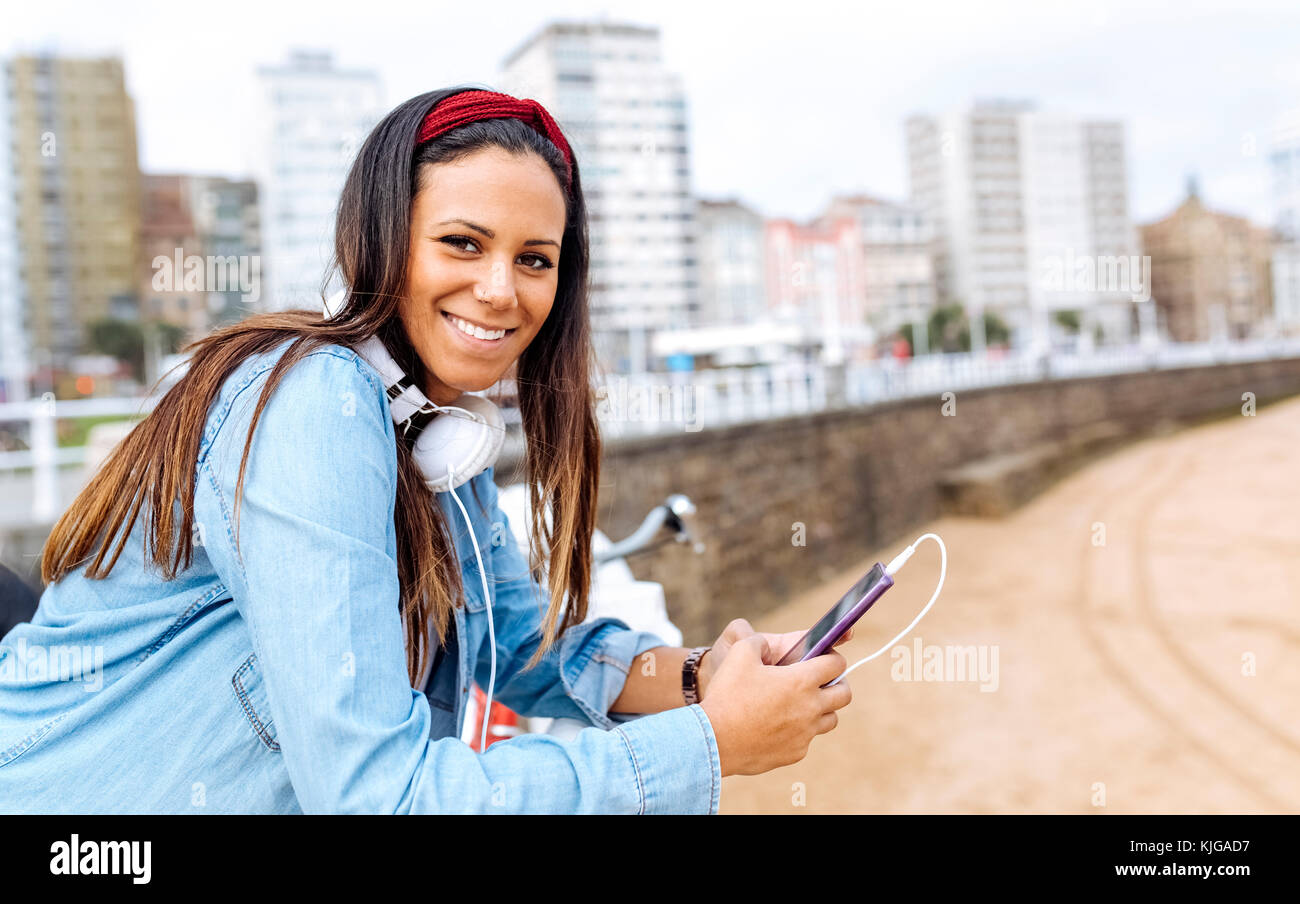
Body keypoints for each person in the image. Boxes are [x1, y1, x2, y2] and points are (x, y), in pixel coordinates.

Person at [0, 87, 851, 814]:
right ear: (381, 237)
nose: (500, 289)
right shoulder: (315, 403)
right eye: (462, 243)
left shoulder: (435, 429)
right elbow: (378, 797)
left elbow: (517, 646)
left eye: (535, 259)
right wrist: (707, 747)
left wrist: (702, 678)